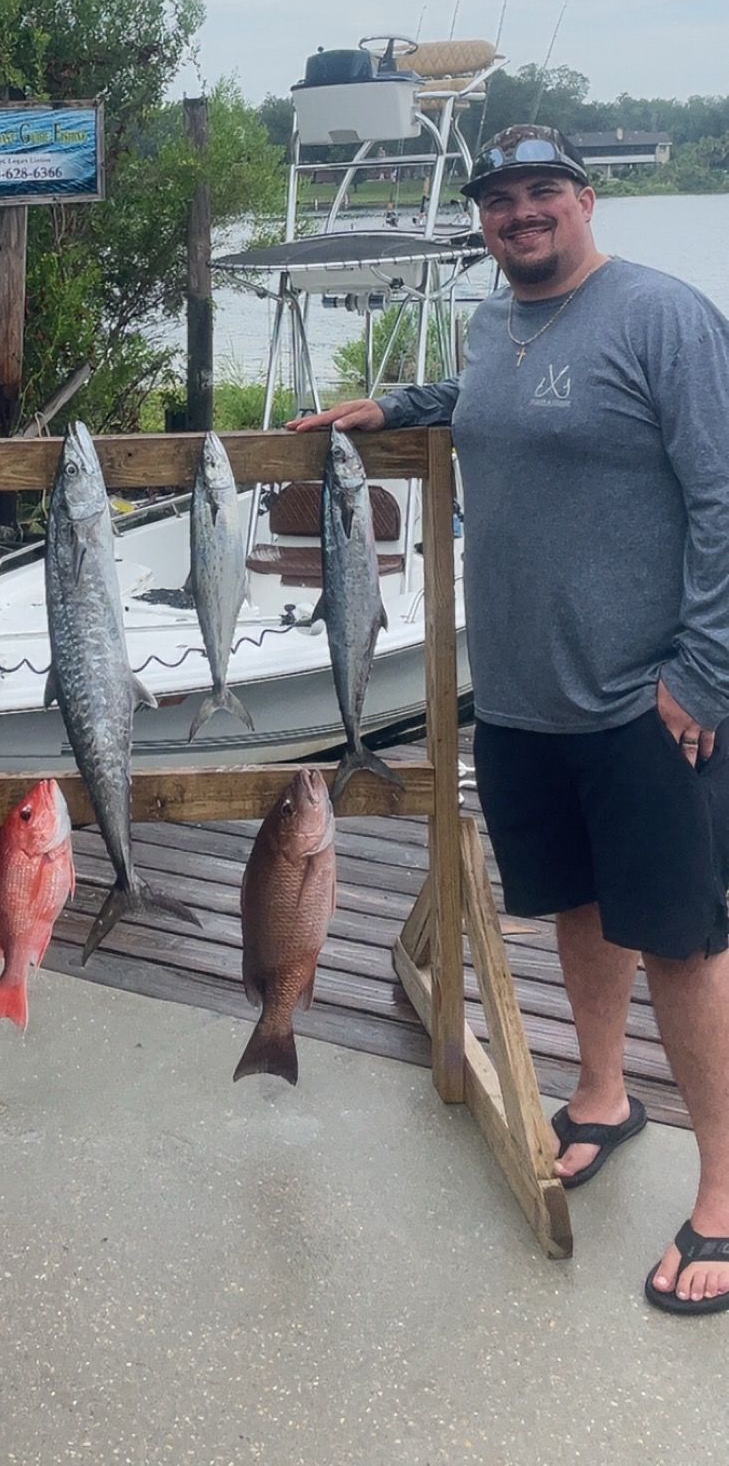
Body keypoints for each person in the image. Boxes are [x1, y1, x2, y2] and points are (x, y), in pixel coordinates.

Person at [290, 123, 729, 1313]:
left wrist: (705, 669)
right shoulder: (494, 321)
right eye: (499, 200)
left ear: (586, 200)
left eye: (543, 193)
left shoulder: (666, 317)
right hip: (522, 696)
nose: (520, 215)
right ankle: (601, 1093)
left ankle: (722, 1192)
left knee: (684, 940)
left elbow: (722, 495)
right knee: (576, 906)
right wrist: (393, 406)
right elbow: (495, 403)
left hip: (649, 698)